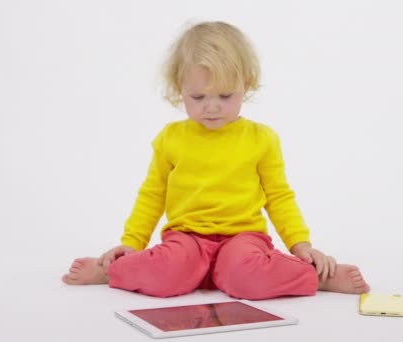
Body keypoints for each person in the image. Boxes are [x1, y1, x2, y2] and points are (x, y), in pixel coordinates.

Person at [62, 21, 369, 300]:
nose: (212, 108)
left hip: (243, 240)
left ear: (245, 85)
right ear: (179, 88)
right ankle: (112, 271)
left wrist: (301, 245)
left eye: (225, 96)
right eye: (198, 97)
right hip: (186, 239)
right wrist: (131, 243)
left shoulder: (261, 139)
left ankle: (316, 277)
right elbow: (152, 195)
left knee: (248, 279)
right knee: (165, 274)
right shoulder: (171, 138)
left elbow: (279, 197)